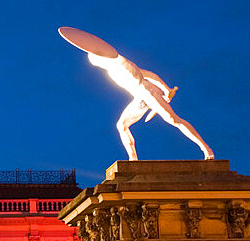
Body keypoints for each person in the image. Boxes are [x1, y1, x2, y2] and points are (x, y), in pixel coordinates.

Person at [59, 27, 214, 160]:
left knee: (174, 120)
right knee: (122, 125)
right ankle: (133, 159)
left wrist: (166, 90)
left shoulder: (121, 63)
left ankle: (205, 148)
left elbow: (149, 75)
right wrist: (166, 89)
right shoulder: (111, 71)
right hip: (139, 97)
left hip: (148, 92)